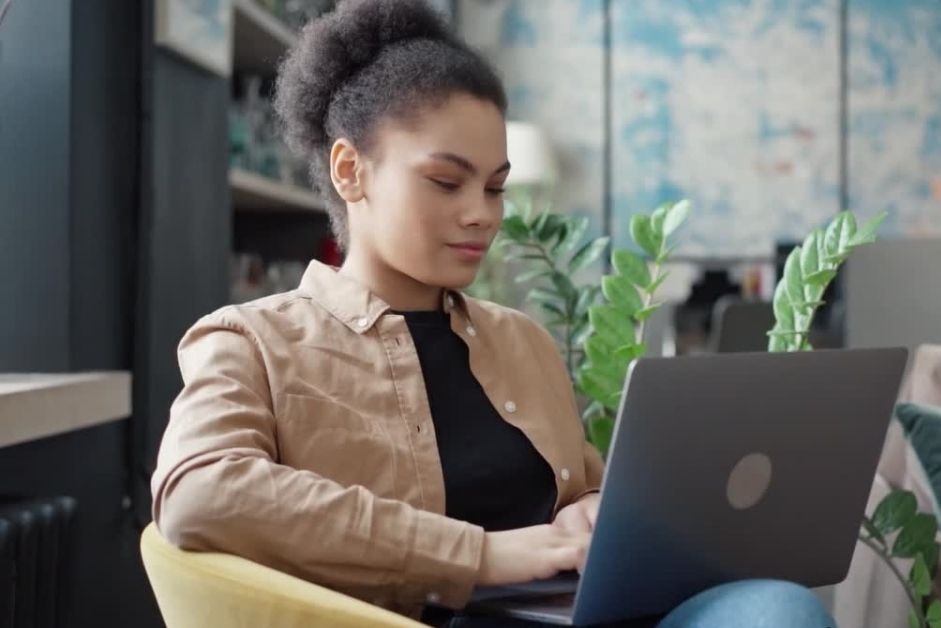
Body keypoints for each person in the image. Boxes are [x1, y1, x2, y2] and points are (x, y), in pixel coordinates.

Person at [150, 1, 835, 626]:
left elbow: (585, 490)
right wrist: (478, 555)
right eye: (446, 182)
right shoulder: (251, 342)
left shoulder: (520, 340)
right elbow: (199, 495)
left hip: (579, 613)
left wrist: (596, 512)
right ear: (350, 171)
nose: (482, 213)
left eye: (495, 186)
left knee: (778, 609)